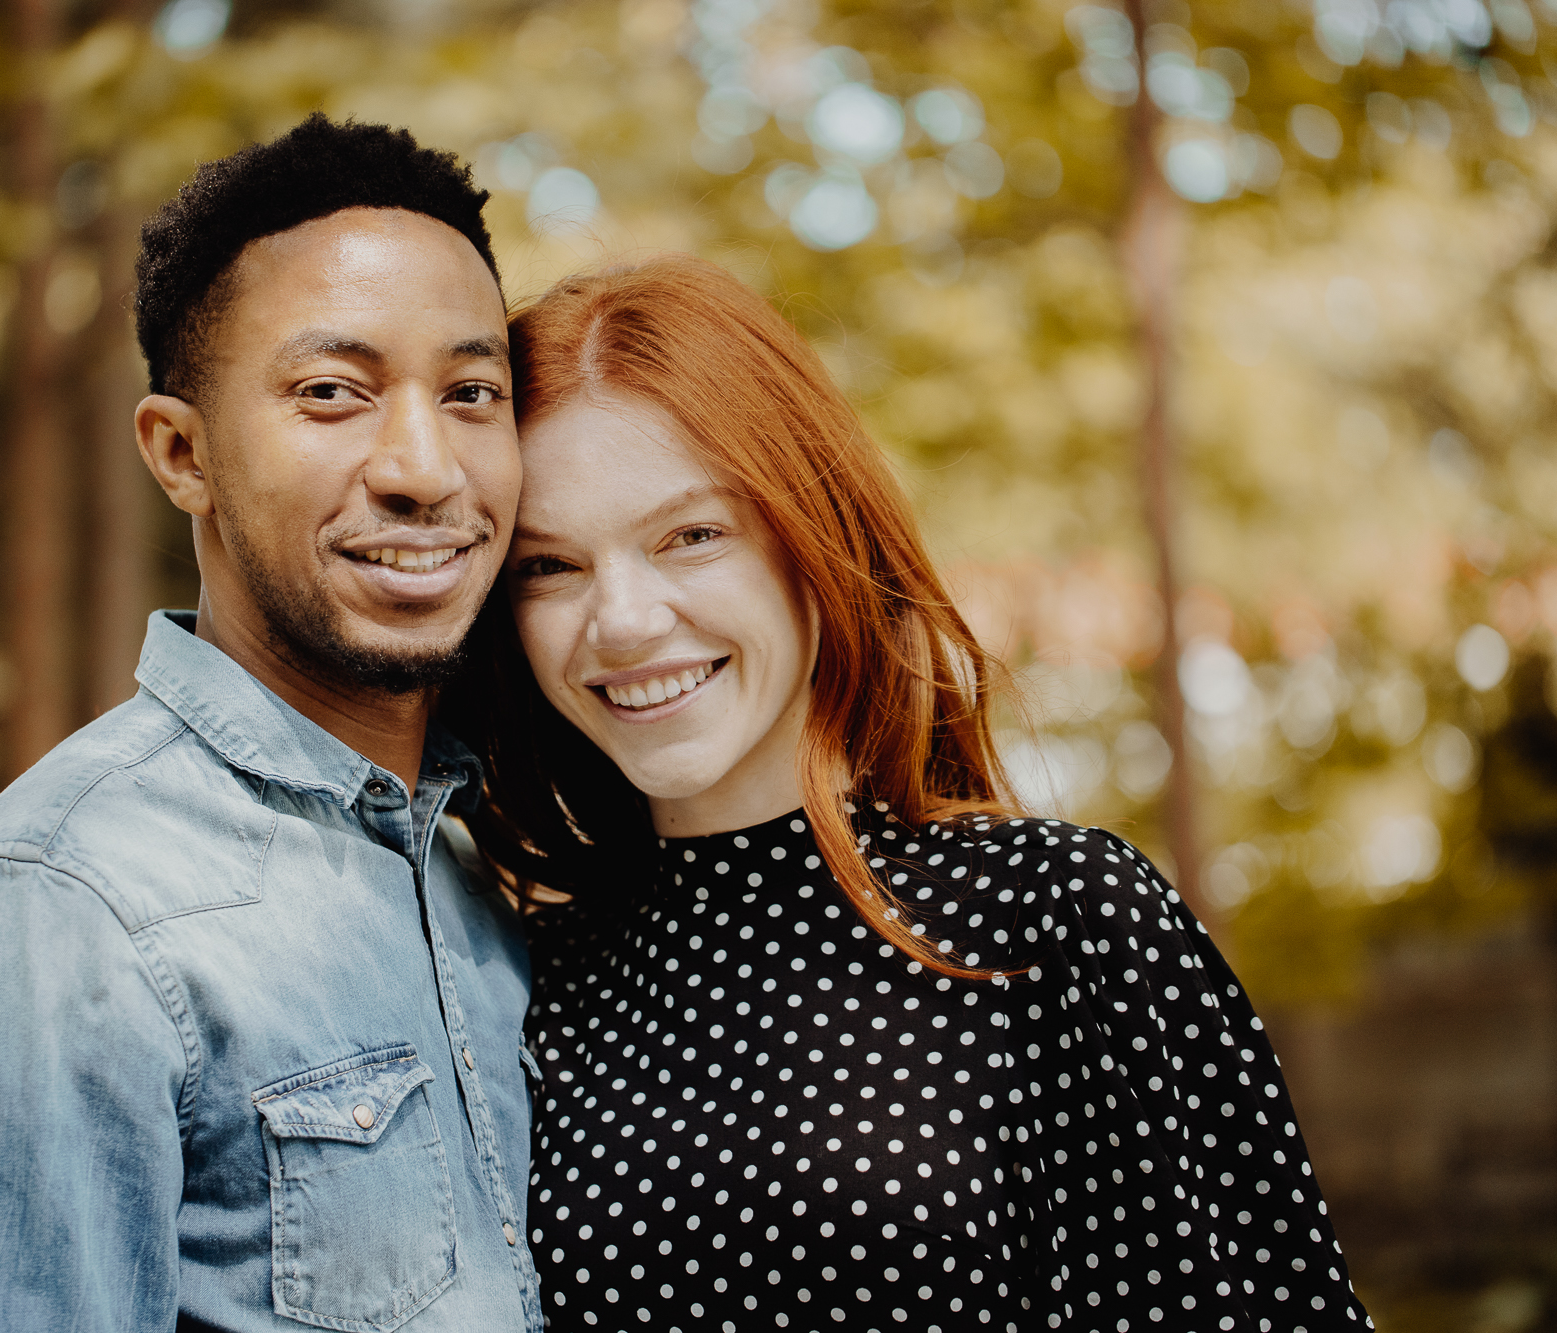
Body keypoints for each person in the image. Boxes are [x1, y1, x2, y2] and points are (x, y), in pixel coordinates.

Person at [449, 255, 1369, 1333]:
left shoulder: (1053, 917)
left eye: (688, 536)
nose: (622, 620)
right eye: (548, 567)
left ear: (812, 534)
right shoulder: (522, 981)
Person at [0, 115, 546, 1332]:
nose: (423, 467)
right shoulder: (52, 908)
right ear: (181, 453)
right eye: (331, 392)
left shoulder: (492, 857)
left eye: (471, 391)